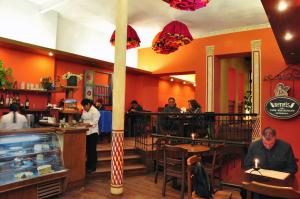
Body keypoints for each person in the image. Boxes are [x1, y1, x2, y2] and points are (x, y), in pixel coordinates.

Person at [81, 98, 100, 172]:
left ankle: (93, 166)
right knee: (87, 150)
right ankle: (88, 164)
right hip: (86, 132)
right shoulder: (84, 110)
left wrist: (84, 124)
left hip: (93, 133)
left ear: (88, 104)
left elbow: (94, 123)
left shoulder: (95, 111)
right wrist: (81, 121)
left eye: (84, 106)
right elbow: (83, 118)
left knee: (92, 150)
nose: (84, 108)